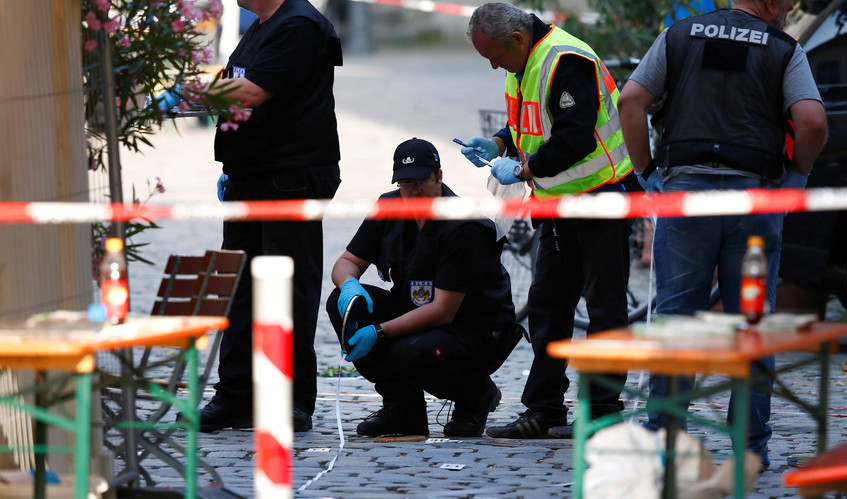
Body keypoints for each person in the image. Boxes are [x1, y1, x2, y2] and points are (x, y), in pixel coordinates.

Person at [617, 0, 827, 468]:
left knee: (677, 320)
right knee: (752, 325)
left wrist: (647, 172)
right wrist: (796, 179)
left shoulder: (679, 35)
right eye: (788, 4)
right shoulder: (784, 48)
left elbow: (630, 100)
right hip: (755, 201)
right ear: (771, 3)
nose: (788, 11)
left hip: (686, 196)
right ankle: (750, 449)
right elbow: (812, 122)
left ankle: (665, 436)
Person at [462, 3, 634, 439]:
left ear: (517, 39)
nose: (493, 65)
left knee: (605, 308)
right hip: (558, 204)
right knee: (548, 305)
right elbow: (531, 122)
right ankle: (545, 408)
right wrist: (500, 141)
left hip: (600, 196)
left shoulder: (565, 59)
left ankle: (602, 410)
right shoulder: (522, 61)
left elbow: (574, 137)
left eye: (495, 56)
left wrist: (522, 170)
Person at [196, 0, 343, 432]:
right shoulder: (262, 26)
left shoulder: (298, 25)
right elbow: (237, 85)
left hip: (288, 179)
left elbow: (252, 91)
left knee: (288, 289)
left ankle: (294, 398)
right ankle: (237, 395)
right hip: (250, 176)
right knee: (241, 288)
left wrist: (191, 92)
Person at [326, 138, 523, 438]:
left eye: (422, 181)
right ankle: (403, 410)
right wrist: (350, 284)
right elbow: (346, 261)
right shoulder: (390, 206)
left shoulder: (462, 226)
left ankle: (475, 394)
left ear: (439, 177)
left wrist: (378, 331)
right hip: (419, 312)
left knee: (407, 352)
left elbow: (443, 310)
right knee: (341, 304)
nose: (414, 191)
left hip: (473, 330)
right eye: (406, 183)